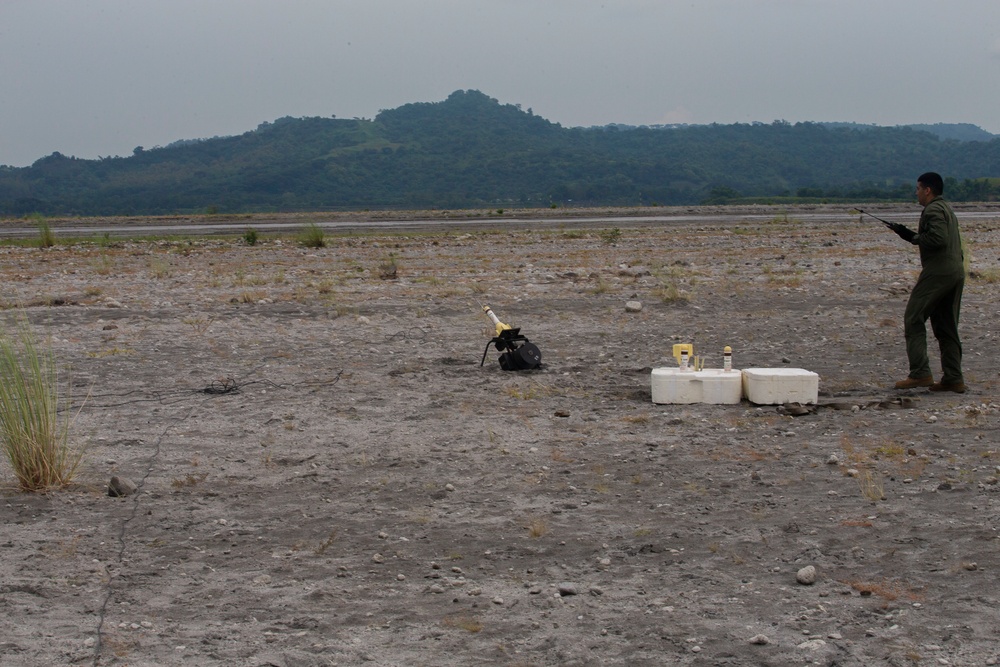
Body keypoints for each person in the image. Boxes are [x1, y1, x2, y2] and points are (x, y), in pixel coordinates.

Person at [889, 172, 966, 393]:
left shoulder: (932, 210)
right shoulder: (946, 209)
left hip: (938, 271)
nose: (916, 193)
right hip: (955, 271)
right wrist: (907, 234)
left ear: (927, 190)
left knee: (913, 318)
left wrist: (913, 237)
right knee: (946, 326)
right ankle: (953, 378)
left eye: (918, 189)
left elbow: (938, 239)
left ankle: (920, 373)